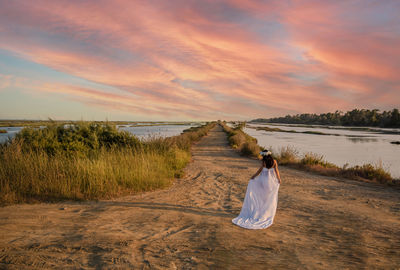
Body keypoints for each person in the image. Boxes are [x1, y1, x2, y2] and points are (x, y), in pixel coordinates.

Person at [232, 150, 281, 229]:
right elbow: (277, 171)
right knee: (268, 196)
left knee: (261, 195)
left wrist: (253, 177)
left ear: (264, 156)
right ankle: (266, 210)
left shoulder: (264, 162)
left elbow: (259, 171)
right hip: (271, 181)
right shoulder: (274, 161)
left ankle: (261, 209)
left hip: (262, 181)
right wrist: (279, 179)